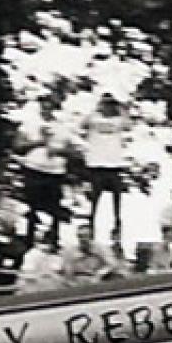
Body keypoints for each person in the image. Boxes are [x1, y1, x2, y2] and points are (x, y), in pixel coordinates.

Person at [18, 96, 74, 250]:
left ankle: (53, 239)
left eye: (50, 107)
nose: (46, 110)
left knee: (55, 208)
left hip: (55, 172)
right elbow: (18, 146)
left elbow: (72, 151)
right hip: (34, 170)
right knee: (32, 207)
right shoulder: (29, 123)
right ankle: (29, 241)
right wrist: (39, 142)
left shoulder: (62, 127)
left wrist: (58, 150)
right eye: (44, 106)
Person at [80, 92, 131, 241]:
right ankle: (91, 228)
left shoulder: (119, 120)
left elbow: (128, 125)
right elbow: (82, 124)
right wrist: (97, 108)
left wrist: (121, 108)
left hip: (114, 164)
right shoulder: (94, 118)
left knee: (117, 200)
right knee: (95, 200)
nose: (108, 107)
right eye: (106, 104)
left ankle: (116, 228)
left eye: (111, 104)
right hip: (97, 164)